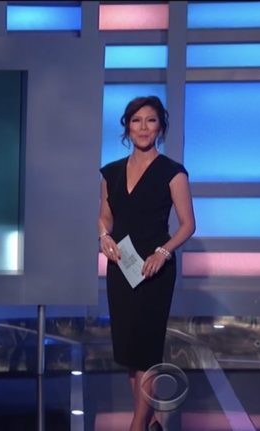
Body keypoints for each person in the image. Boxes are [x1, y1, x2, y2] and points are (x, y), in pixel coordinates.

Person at [98, 96, 196, 431]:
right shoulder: (110, 172)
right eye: (136, 120)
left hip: (154, 270)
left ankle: (137, 425)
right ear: (127, 126)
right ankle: (150, 420)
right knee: (129, 350)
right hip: (121, 267)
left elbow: (188, 225)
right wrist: (104, 237)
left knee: (146, 349)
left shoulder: (173, 173)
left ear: (160, 127)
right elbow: (104, 217)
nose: (143, 127)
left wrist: (162, 253)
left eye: (150, 120)